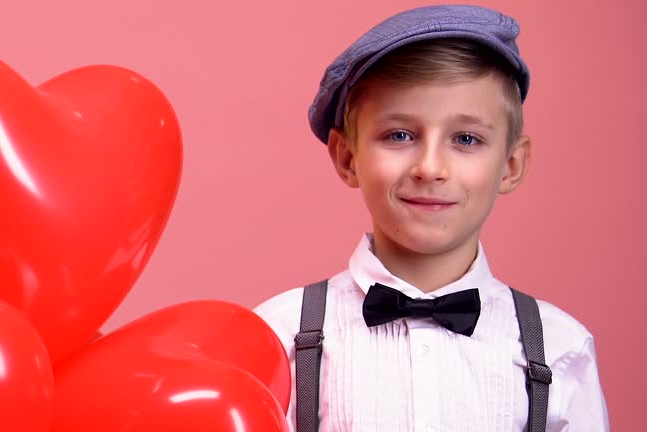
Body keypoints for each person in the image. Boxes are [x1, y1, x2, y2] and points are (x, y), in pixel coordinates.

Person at [254, 4, 609, 431]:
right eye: (399, 135)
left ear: (511, 166)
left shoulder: (560, 348)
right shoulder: (277, 337)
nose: (430, 167)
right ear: (347, 157)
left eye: (466, 139)